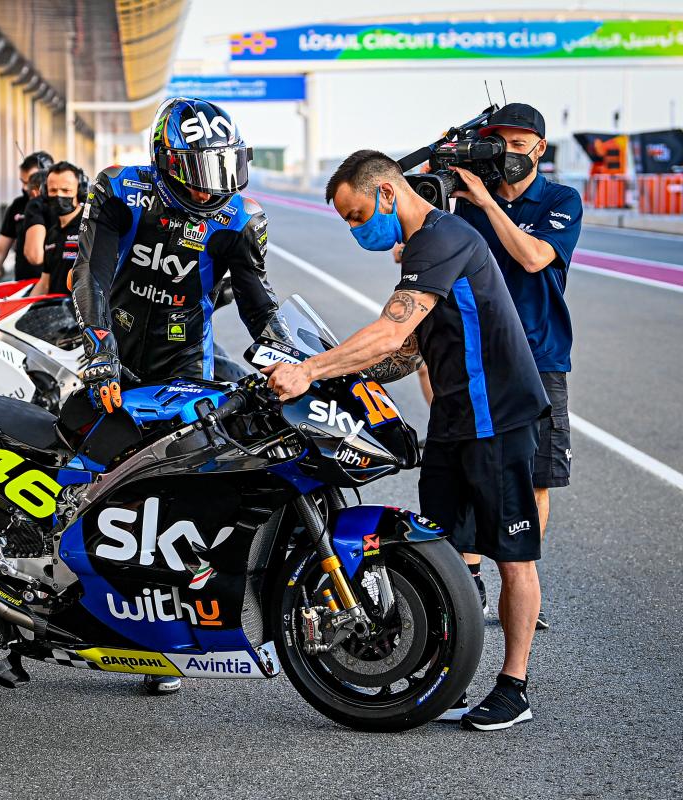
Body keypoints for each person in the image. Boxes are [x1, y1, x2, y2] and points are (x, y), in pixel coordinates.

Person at [264, 150, 548, 731]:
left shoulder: (444, 236)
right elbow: (408, 348)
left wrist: (313, 370)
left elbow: (391, 327)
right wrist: (343, 375)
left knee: (512, 556)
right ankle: (448, 669)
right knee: (440, 547)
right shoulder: (420, 249)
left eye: (356, 214)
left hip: (498, 415)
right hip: (455, 415)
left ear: (388, 194)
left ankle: (514, 687)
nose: (354, 228)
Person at [71, 97, 291, 694]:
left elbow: (257, 301)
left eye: (221, 172)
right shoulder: (119, 190)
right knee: (86, 473)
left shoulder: (242, 217)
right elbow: (88, 274)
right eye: (196, 176)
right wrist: (99, 355)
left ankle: (162, 622)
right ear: (165, 162)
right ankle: (77, 593)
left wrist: (288, 353)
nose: (207, 192)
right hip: (112, 345)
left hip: (184, 356)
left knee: (181, 485)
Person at [451, 102, 583, 632]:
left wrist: (486, 200)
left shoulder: (560, 199)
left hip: (541, 356)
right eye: (497, 141)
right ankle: (471, 583)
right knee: (470, 471)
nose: (507, 152)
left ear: (540, 149)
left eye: (518, 142)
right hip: (478, 357)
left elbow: (533, 258)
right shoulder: (467, 209)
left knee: (536, 478)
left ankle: (521, 581)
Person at [0, 151, 54, 281]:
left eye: (31, 182)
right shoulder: (18, 206)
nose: (26, 188)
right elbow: (0, 250)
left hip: (55, 288)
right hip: (23, 285)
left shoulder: (62, 207)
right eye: (23, 182)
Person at [30, 162, 84, 296]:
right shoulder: (52, 233)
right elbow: (44, 283)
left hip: (80, 314)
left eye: (66, 190)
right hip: (56, 312)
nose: (59, 196)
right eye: (53, 190)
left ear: (80, 191)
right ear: (45, 193)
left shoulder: (91, 228)